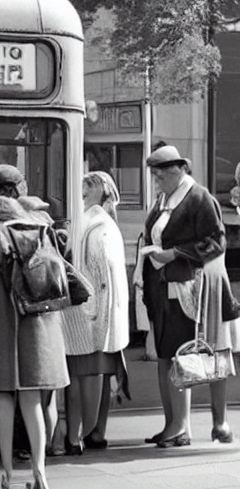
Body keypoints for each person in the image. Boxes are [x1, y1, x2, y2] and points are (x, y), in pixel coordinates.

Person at [0, 164, 69, 489]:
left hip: (1, 323)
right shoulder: (42, 224)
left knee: (2, 398)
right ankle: (40, 472)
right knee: (34, 400)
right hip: (40, 324)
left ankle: (8, 472)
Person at [141, 145, 240, 447]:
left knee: (183, 355)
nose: (157, 183)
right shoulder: (164, 199)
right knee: (167, 355)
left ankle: (183, 427)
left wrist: (174, 254)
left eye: (160, 177)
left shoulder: (199, 197)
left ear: (178, 171)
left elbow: (216, 241)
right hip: (165, 288)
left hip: (191, 290)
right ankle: (173, 424)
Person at [61, 171, 130, 454]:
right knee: (100, 378)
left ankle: (77, 436)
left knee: (82, 379)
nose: (83, 192)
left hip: (88, 316)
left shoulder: (91, 224)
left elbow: (100, 275)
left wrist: (95, 315)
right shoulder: (105, 224)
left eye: (88, 188)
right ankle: (93, 433)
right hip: (102, 316)